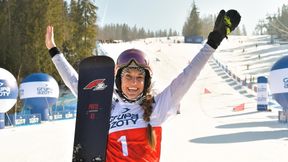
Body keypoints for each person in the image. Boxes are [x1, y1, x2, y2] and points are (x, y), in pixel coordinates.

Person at [45, 9, 240, 162]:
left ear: (146, 82)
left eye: (140, 77)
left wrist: (213, 41)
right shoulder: (107, 107)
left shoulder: (158, 106)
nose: (134, 82)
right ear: (118, 79)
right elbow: (76, 83)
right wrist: (53, 50)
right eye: (128, 76)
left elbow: (188, 75)